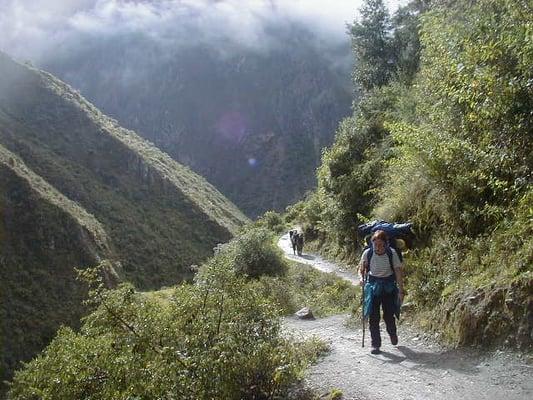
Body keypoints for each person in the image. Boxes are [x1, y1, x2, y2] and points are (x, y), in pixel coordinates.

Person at [358, 230, 404, 354]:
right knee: (373, 317)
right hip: (373, 288)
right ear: (372, 244)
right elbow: (361, 269)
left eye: (380, 245)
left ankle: (392, 333)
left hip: (388, 287)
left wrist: (401, 290)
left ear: (386, 244)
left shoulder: (391, 253)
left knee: (389, 315)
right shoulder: (367, 253)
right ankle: (375, 344)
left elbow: (398, 272)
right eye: (375, 245)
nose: (377, 247)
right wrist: (361, 278)